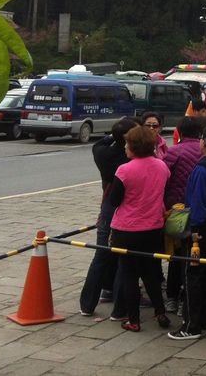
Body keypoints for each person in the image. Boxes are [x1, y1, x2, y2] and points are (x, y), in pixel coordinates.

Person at [168, 125, 206, 340]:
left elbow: (198, 202)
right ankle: (204, 317)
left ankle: (190, 325)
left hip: (200, 229)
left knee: (192, 275)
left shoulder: (202, 170)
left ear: (205, 141)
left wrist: (194, 230)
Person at [109, 124, 171, 332]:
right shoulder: (162, 167)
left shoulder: (124, 170)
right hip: (153, 227)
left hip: (126, 229)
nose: (125, 147)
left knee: (129, 275)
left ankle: (133, 319)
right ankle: (160, 312)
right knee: (152, 272)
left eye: (127, 143)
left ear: (133, 146)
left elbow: (114, 200)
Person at [80, 116, 138, 317]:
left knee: (101, 254)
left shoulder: (102, 152)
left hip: (107, 208)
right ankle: (119, 309)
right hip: (125, 209)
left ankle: (87, 304)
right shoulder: (131, 161)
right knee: (124, 258)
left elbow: (100, 142)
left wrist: (114, 135)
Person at [161, 117, 205, 312]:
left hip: (176, 211)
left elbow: (164, 179)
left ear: (179, 131)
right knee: (195, 256)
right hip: (200, 212)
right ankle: (186, 299)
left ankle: (171, 297)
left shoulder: (173, 152)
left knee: (177, 253)